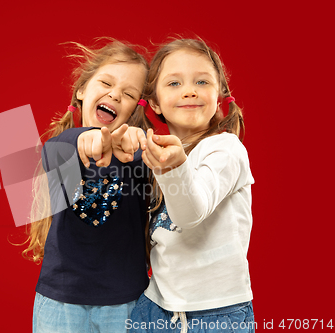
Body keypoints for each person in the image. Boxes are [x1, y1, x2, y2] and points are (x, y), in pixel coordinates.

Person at [24, 39, 153, 333]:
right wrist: (86, 138)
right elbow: (61, 148)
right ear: (82, 89)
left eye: (128, 93)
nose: (115, 95)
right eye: (106, 82)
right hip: (60, 302)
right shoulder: (62, 146)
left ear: (136, 107)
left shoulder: (138, 153)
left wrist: (135, 142)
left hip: (126, 303)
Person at [129, 38, 255, 333]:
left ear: (219, 94)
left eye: (202, 81)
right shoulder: (154, 154)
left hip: (216, 313)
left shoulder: (226, 149)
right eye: (174, 83)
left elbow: (191, 213)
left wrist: (171, 167)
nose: (189, 90)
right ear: (155, 102)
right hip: (155, 305)